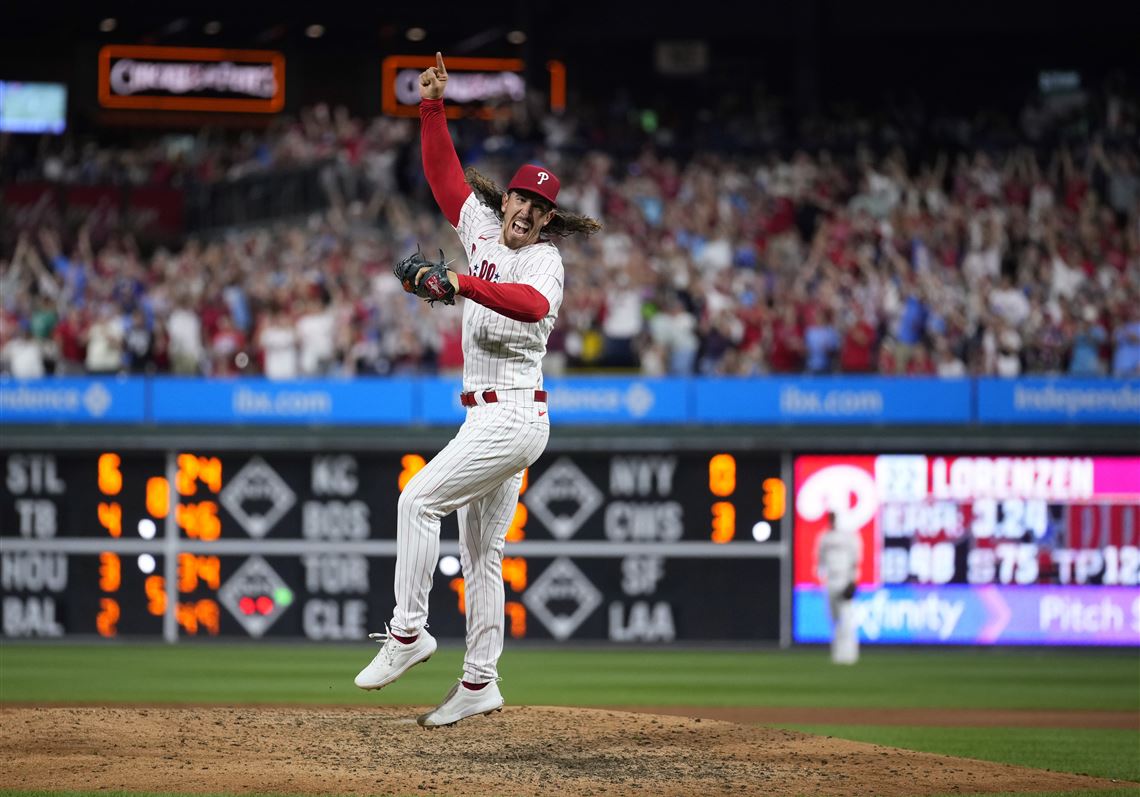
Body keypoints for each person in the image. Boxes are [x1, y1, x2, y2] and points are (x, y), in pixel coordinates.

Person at [353, 52, 601, 728]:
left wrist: (459, 282)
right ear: (510, 199)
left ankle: (409, 631)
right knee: (481, 555)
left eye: (540, 205)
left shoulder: (544, 261)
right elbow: (442, 175)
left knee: (417, 499)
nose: (527, 210)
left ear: (548, 219)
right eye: (522, 196)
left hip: (515, 418)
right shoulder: (484, 228)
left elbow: (522, 303)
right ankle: (479, 680)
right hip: (484, 419)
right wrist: (431, 106)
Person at [814, 510, 862, 665]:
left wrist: (853, 580)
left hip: (844, 579)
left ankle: (850, 654)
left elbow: (856, 559)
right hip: (830, 580)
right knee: (833, 617)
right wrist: (821, 577)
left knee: (846, 617)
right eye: (830, 517)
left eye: (834, 517)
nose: (832, 520)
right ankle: (837, 653)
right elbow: (819, 559)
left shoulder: (849, 536)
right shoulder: (824, 537)